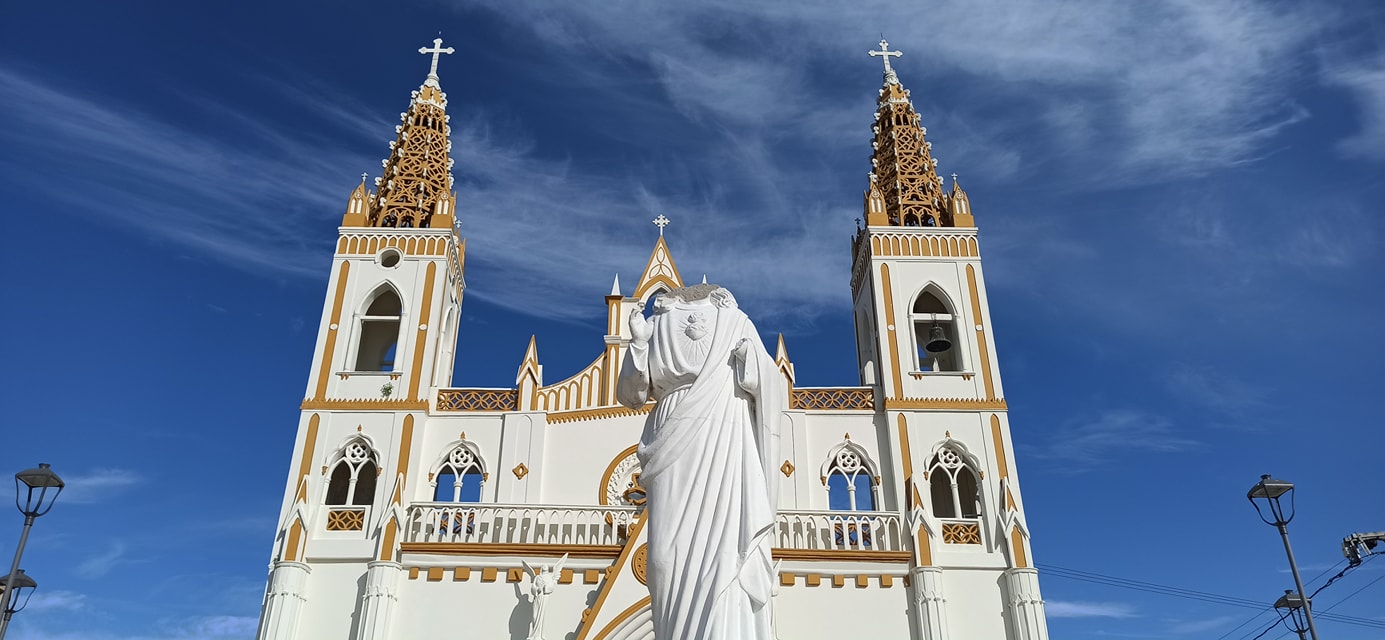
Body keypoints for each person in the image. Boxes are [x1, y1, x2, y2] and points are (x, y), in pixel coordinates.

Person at [617, 284, 785, 640]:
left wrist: (750, 362)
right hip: (670, 437)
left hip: (725, 429)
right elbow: (630, 395)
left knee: (726, 550)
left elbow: (771, 381)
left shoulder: (736, 320)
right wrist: (639, 344)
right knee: (664, 561)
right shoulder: (655, 321)